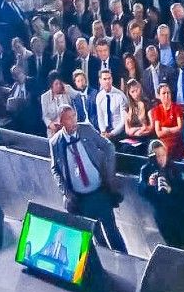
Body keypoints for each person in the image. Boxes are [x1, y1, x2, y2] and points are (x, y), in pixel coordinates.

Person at [48, 103, 128, 253]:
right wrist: (66, 192)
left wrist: (109, 174)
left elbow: (108, 146)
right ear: (61, 122)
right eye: (68, 119)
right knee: (96, 235)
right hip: (80, 198)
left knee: (112, 230)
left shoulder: (86, 129)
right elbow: (55, 169)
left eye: (74, 117)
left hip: (99, 191)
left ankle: (126, 259)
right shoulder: (55, 142)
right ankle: (108, 261)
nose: (73, 121)